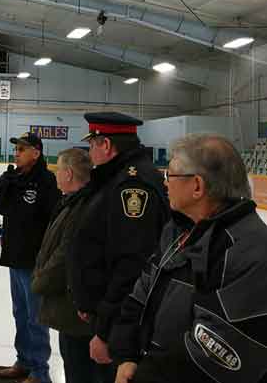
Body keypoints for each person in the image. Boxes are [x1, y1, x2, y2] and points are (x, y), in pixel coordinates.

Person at [111, 134, 267, 383]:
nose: (165, 183)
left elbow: (216, 354)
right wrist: (126, 355)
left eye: (169, 175)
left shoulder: (251, 251)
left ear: (197, 186)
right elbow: (142, 292)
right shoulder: (179, 231)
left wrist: (144, 376)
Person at [71, 112, 169, 381]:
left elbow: (132, 264)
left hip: (118, 325)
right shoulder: (115, 178)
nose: (90, 152)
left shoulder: (132, 186)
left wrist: (105, 331)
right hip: (106, 315)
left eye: (92, 144)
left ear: (105, 145)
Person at [31, 149, 99, 383]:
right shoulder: (72, 201)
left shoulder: (82, 206)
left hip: (75, 311)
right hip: (70, 310)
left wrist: (40, 280)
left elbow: (65, 255)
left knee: (78, 368)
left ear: (69, 174)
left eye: (58, 169)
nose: (56, 174)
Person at [0, 132, 60, 383]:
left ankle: (40, 372)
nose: (17, 153)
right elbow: (2, 207)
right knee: (20, 313)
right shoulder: (14, 177)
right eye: (16, 149)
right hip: (14, 256)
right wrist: (7, 182)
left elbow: (53, 221)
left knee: (36, 318)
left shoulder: (47, 181)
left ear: (36, 152)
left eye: (22, 149)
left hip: (34, 260)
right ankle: (23, 362)